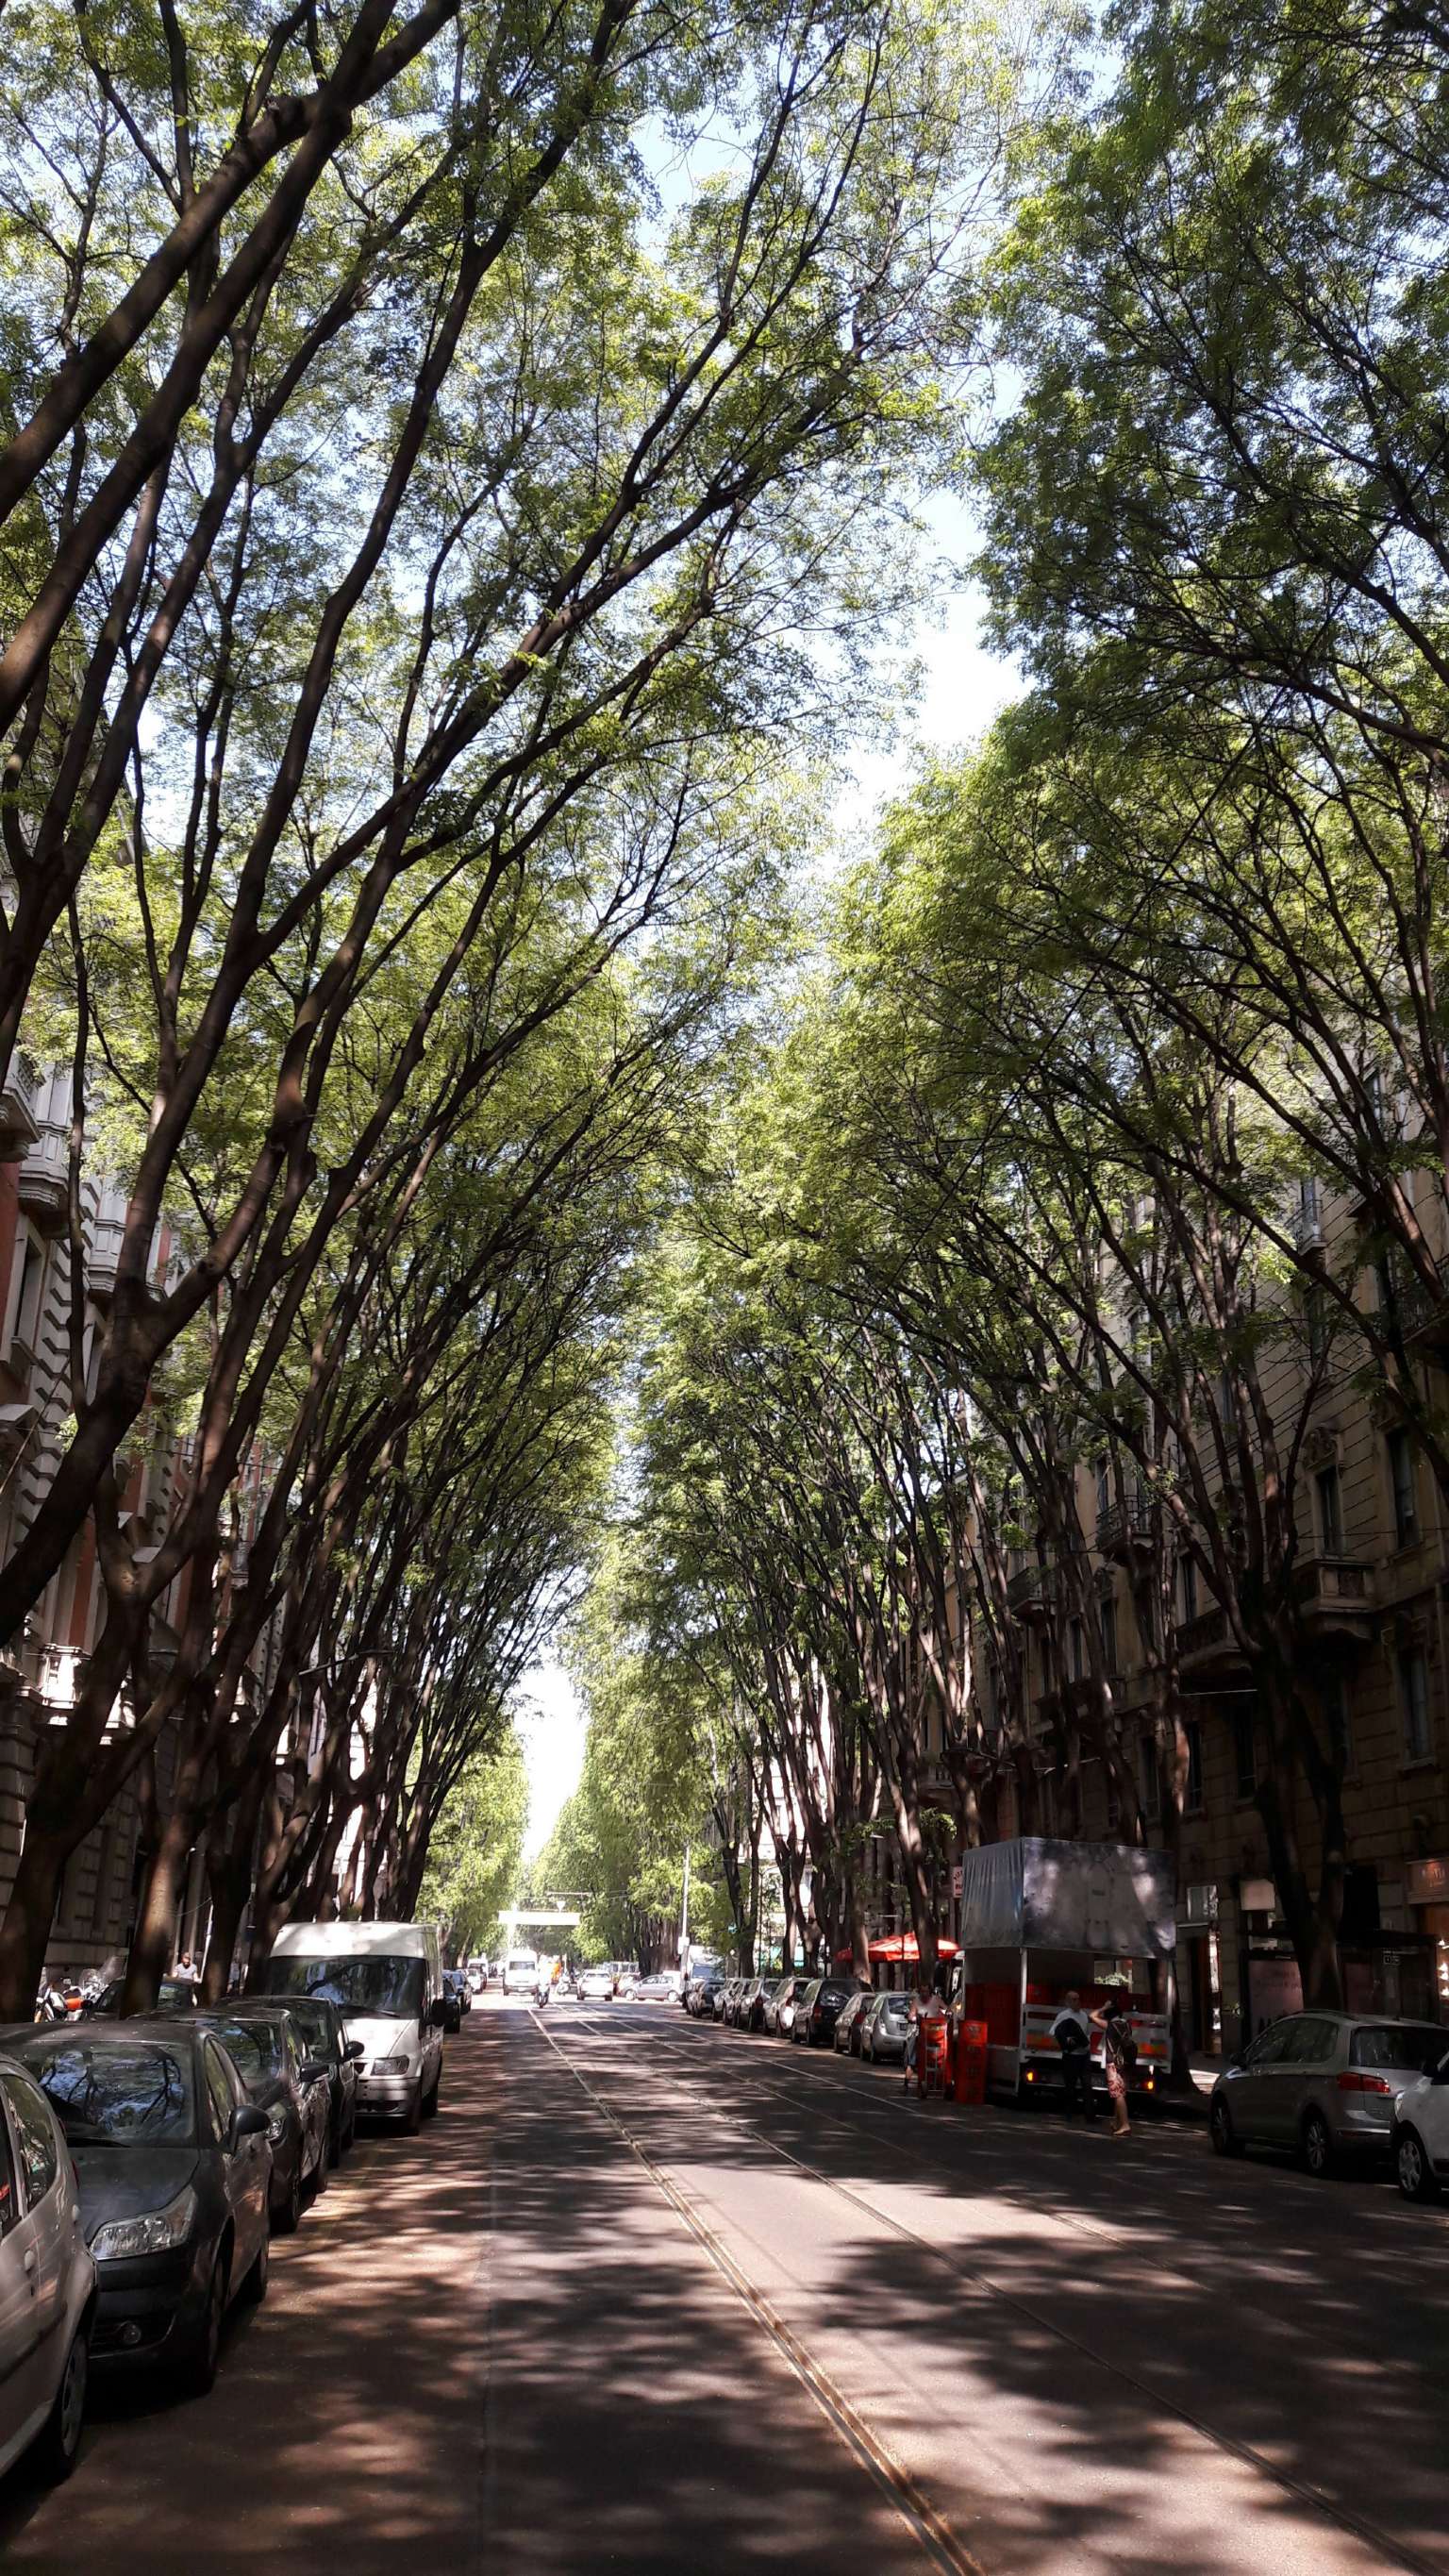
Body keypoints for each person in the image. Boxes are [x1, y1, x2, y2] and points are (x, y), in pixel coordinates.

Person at [1092, 1995, 1136, 2136]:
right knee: (1121, 2092)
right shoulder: (1126, 2025)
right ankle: (1117, 2122)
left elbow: (1092, 2016)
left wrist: (1104, 2006)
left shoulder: (1111, 2025)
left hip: (1114, 2063)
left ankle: (1125, 2124)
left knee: (1117, 2095)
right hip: (1126, 2063)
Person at [1051, 1989, 1095, 2120]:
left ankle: (1090, 2116)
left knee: (1087, 2085)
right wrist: (1067, 2040)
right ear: (1068, 2001)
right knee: (1070, 2086)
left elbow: (1087, 2033)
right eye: (1074, 1999)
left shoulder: (1084, 2016)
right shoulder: (1063, 2015)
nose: (1077, 2002)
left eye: (1078, 1999)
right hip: (1070, 2056)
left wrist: (1086, 2043)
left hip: (1084, 2055)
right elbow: (1054, 2031)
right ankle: (1068, 2114)